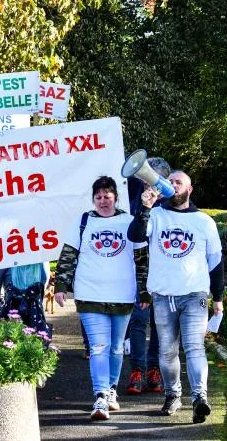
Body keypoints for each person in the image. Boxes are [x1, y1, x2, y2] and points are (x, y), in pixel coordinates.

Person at [127, 171, 224, 423]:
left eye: (178, 182)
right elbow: (135, 236)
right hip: (163, 295)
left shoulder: (204, 222)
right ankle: (173, 395)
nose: (173, 185)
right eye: (169, 182)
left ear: (189, 190)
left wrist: (218, 297)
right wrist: (145, 206)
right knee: (167, 352)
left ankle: (199, 398)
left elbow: (215, 262)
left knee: (193, 347)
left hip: (195, 295)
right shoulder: (156, 215)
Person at [54, 176, 149, 421]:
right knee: (98, 347)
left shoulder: (129, 222)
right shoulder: (83, 221)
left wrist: (144, 290)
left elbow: (142, 260)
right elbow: (68, 255)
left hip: (122, 296)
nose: (103, 201)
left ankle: (112, 390)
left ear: (116, 198)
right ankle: (99, 396)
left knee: (116, 348)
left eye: (107, 196)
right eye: (98, 197)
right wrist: (61, 285)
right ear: (93, 199)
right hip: (89, 294)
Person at [125, 157, 171, 395]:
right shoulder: (135, 201)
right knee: (139, 320)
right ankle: (137, 370)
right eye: (144, 179)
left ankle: (154, 369)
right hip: (137, 269)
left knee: (159, 323)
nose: (146, 184)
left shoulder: (172, 204)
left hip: (163, 274)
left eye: (151, 178)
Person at [0, 263, 50, 337]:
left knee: (15, 318)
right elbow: (44, 278)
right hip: (28, 287)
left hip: (22, 286)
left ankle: (17, 338)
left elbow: (44, 277)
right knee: (33, 319)